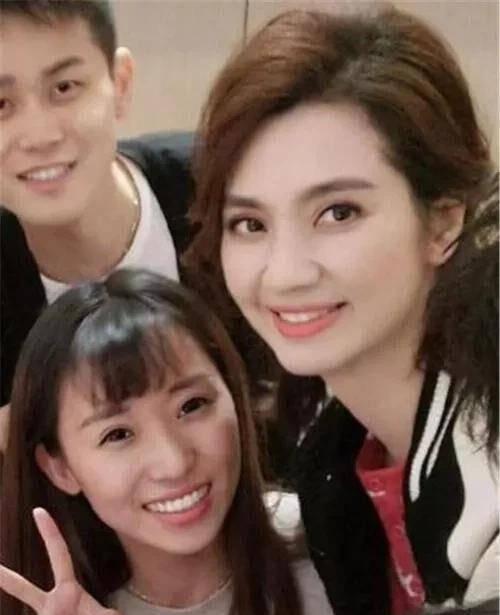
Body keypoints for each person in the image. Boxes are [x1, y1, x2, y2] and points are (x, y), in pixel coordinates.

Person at [185, 7, 499, 615]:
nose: (285, 272)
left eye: (338, 213)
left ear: (443, 220)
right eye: (249, 223)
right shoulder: (336, 462)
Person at [0, 268, 332, 615]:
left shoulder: (329, 542)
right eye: (118, 434)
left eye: (192, 406)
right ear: (60, 468)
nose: (174, 463)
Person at [0, 0, 193, 407]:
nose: (40, 136)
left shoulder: (220, 187)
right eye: (1, 105)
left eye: (64, 88)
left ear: (120, 84)